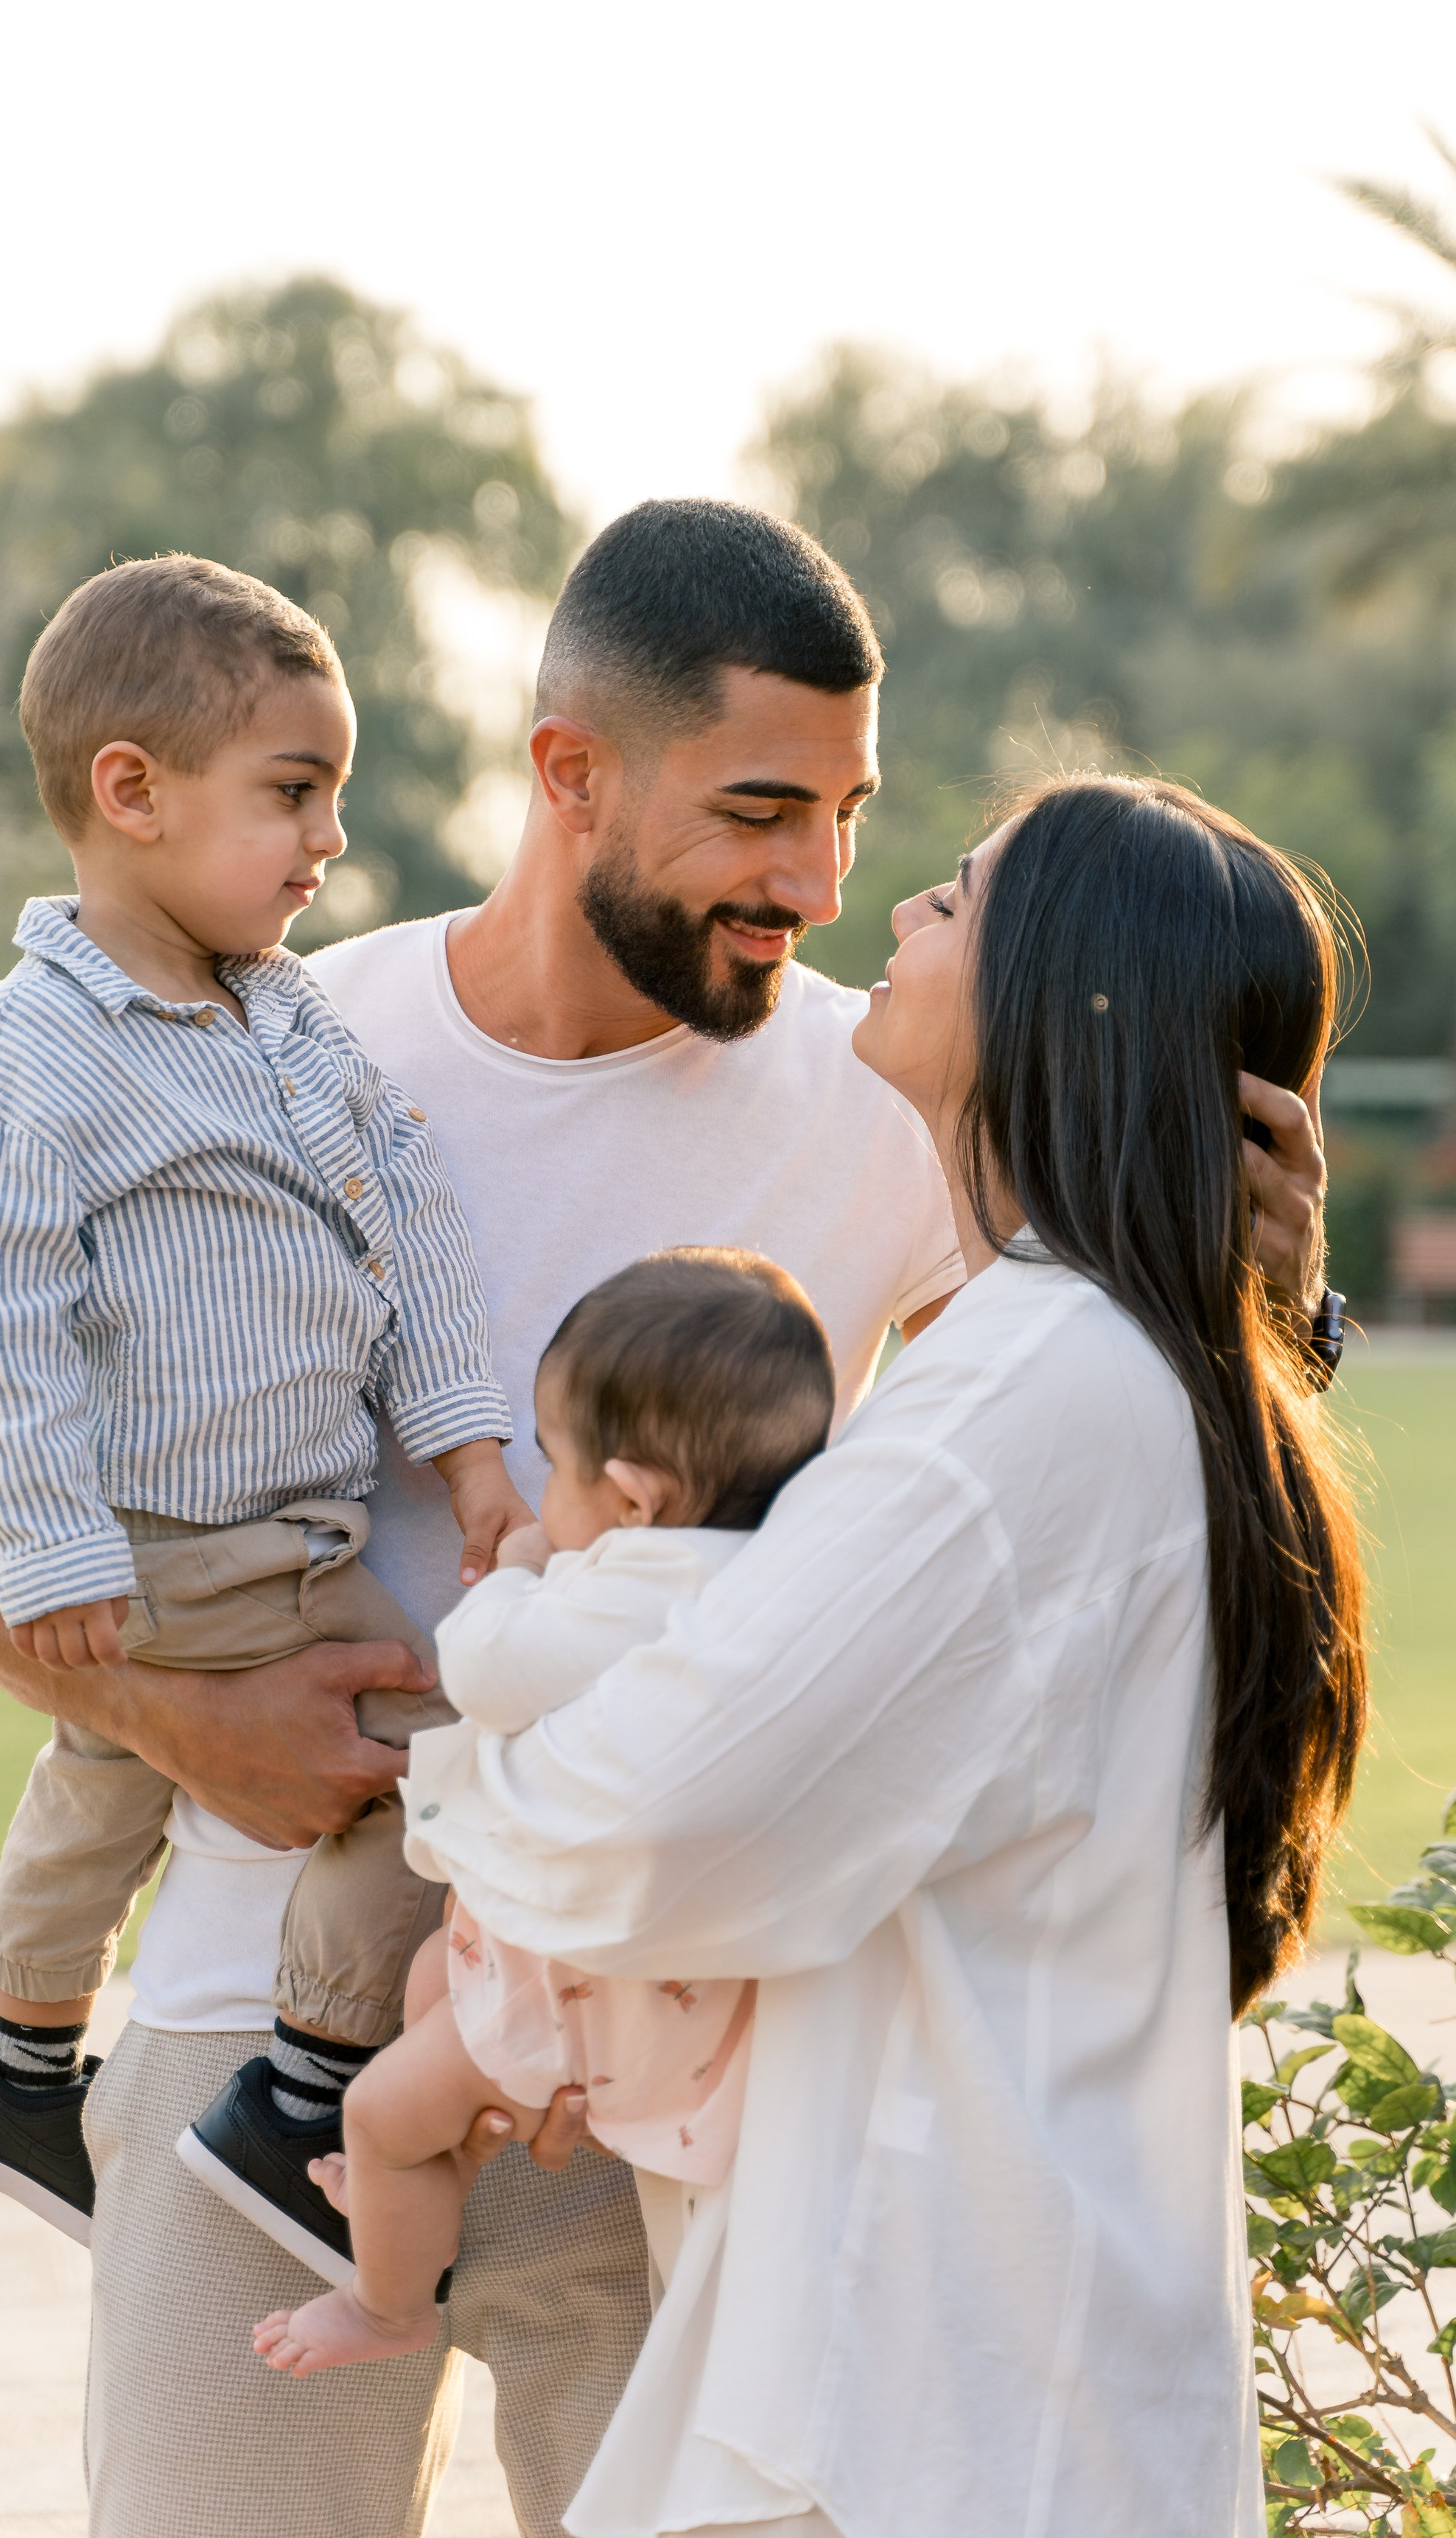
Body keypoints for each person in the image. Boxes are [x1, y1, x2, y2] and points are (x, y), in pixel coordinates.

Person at [0, 500, 1330, 2538]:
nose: (814, 886)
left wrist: (1281, 1301)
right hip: (245, 2028)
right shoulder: (285, 1040)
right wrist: (187, 1731)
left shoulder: (895, 1090)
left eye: (849, 818)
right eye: (758, 812)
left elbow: (1068, 1455)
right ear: (570, 772)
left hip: (644, 2062)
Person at [402, 772, 1369, 2538]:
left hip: (921, 2389)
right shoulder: (1103, 1362)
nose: (886, 920)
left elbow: (667, 1822)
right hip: (980, 2362)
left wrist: (458, 1780)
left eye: (951, 897)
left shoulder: (1032, 1383)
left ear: (1062, 1002)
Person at [0, 555, 525, 2250]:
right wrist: (51, 1559)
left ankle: (21, 2070)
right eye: (293, 792)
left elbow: (407, 1221)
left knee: (103, 1774)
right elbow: (2, 1327)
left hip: (299, 1524)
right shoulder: (22, 1062)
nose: (328, 837)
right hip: (162, 1543)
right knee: (425, 1777)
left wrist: (467, 1450)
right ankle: (305, 2093)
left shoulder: (291, 1022)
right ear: (132, 791)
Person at [253, 1248, 834, 2377]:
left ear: (633, 1496)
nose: (544, 1493)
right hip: (601, 1970)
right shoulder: (770, 1569)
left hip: (573, 1991)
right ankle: (433, 2167)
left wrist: (518, 1568)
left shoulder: (635, 1586)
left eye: (554, 1465)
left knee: (376, 2114)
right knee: (430, 1990)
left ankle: (388, 2303)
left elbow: (484, 1671)